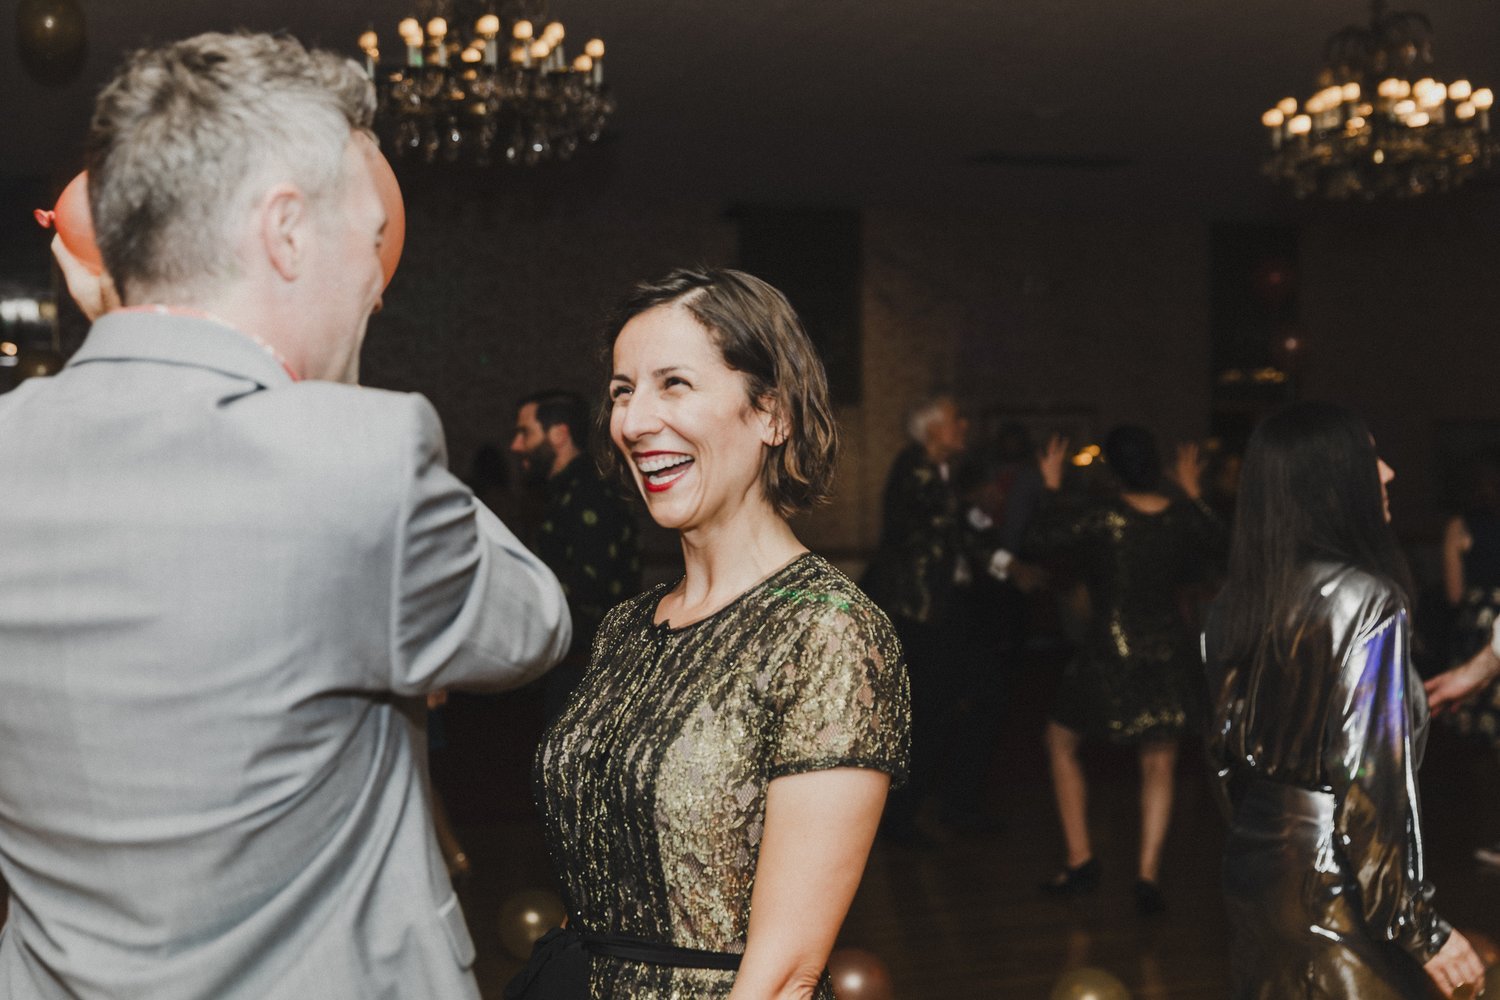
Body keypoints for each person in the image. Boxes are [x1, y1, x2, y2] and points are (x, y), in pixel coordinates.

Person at [0, 33, 571, 1000]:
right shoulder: (355, 464)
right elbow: (533, 623)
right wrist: (334, 401)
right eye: (369, 239)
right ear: (288, 232)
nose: (375, 285)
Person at [517, 268, 909, 999]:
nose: (633, 421)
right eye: (622, 391)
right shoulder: (625, 628)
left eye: (674, 384)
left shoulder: (827, 630)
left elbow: (787, 972)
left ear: (772, 414)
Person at [1204, 401, 1484, 999]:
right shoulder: (1366, 600)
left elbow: (1223, 758)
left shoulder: (1234, 601)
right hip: (1338, 883)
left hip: (1254, 869)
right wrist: (1420, 928)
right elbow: (1370, 782)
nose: (1388, 473)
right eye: (1371, 457)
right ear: (1330, 480)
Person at [1027, 425, 1224, 914]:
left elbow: (1039, 540)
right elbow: (1220, 545)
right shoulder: (1180, 516)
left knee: (1060, 741)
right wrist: (1194, 492)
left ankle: (1080, 860)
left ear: (1113, 470)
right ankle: (1147, 875)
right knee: (1159, 760)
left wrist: (1051, 487)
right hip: (1167, 649)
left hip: (1108, 649)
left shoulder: (1102, 515)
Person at [859, 395, 1002, 843]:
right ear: (933, 429)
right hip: (918, 612)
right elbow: (950, 525)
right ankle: (905, 818)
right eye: (957, 418)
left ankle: (946, 807)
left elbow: (963, 529)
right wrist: (978, 513)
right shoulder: (916, 469)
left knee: (963, 703)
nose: (964, 425)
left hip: (941, 608)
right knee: (929, 711)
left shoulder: (940, 472)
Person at [511, 389, 642, 722]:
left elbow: (590, 587)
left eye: (525, 433)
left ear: (559, 434)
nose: (516, 445)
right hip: (571, 666)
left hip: (590, 671)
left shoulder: (589, 492)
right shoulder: (563, 491)